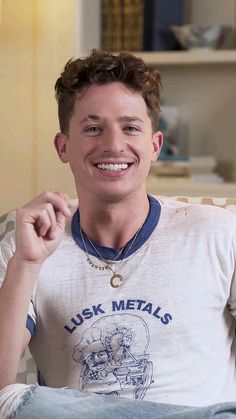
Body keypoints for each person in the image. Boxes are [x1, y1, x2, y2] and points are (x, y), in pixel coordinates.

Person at [0, 49, 236, 418]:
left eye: (130, 127)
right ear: (63, 147)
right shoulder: (24, 244)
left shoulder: (217, 232)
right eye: (93, 128)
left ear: (155, 145)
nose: (112, 145)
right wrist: (27, 264)